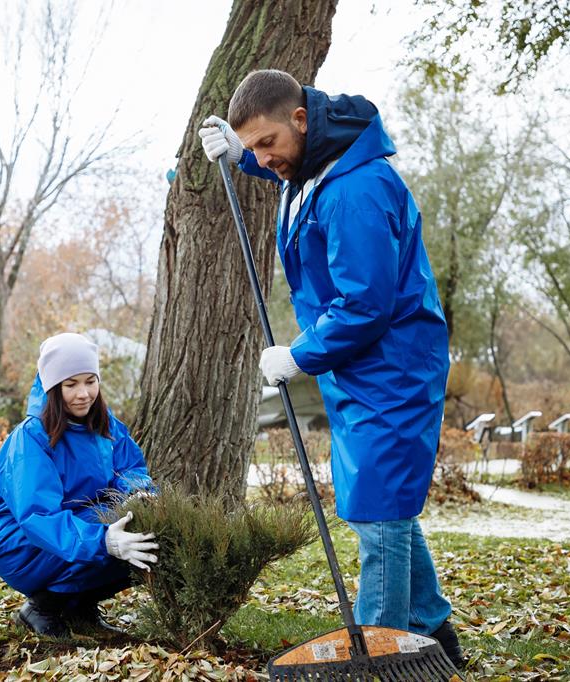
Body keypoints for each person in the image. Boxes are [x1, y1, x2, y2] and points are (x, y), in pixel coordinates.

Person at [198, 69, 464, 668]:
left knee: (379, 514)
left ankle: (380, 653)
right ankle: (435, 635)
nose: (265, 161)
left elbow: (365, 303)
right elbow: (288, 169)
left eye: (267, 144)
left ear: (300, 120)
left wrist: (298, 354)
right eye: (255, 148)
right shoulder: (316, 167)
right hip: (359, 368)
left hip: (391, 368)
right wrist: (242, 156)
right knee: (382, 502)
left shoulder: (357, 188)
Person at [0, 332, 158, 637]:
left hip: (78, 524)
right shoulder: (32, 437)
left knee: (143, 529)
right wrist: (103, 541)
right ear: (52, 387)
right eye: (70, 384)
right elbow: (38, 516)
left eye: (90, 381)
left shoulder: (106, 424)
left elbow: (130, 468)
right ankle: (41, 607)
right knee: (114, 536)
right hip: (20, 541)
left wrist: (137, 493)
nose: (83, 394)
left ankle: (79, 608)